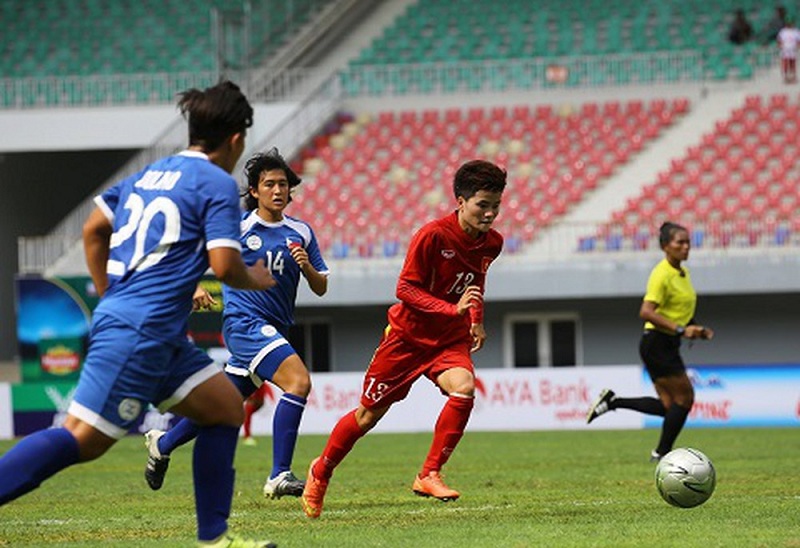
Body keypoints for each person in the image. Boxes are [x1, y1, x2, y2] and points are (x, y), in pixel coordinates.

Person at [0, 81, 279, 547]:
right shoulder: (216, 183)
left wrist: (112, 292)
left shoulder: (149, 174)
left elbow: (93, 229)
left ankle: (215, 538)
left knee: (225, 407)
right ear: (235, 139)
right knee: (82, 438)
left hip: (154, 330)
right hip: (142, 329)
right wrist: (255, 277)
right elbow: (225, 265)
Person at [301, 159, 506, 519]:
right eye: (482, 205)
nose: (490, 214)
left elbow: (476, 283)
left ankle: (429, 474)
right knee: (367, 417)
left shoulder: (492, 243)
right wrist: (451, 310)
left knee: (464, 387)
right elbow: (404, 288)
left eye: (496, 206)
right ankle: (321, 471)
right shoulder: (433, 235)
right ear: (460, 201)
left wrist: (475, 320)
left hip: (449, 340)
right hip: (407, 339)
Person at [144, 148, 329, 500]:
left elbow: (321, 286)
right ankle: (279, 474)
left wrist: (306, 267)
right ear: (254, 191)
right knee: (298, 382)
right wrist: (195, 285)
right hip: (245, 324)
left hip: (275, 328)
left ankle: (162, 444)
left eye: (283, 184)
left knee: (222, 407)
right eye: (269, 184)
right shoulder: (238, 227)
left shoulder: (301, 232)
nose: (278, 190)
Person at [586, 222, 714, 462]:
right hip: (657, 343)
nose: (686, 247)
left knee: (669, 405)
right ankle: (661, 452)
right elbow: (646, 311)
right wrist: (680, 330)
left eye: (688, 242)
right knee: (685, 399)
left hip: (664, 343)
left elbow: (678, 311)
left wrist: (694, 328)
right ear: (665, 246)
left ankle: (613, 401)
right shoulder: (662, 273)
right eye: (680, 242)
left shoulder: (682, 273)